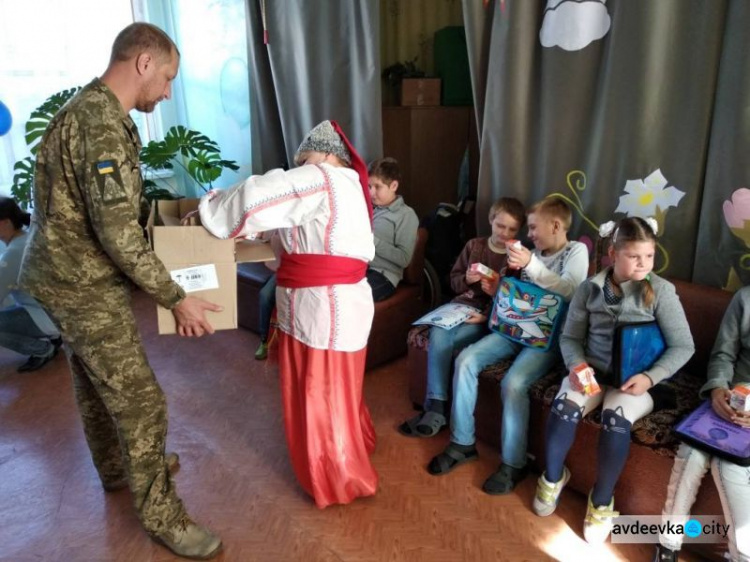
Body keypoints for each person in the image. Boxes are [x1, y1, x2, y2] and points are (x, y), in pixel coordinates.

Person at [18, 23, 222, 560]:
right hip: (80, 283)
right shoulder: (100, 125)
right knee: (142, 401)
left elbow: (113, 213)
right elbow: (114, 231)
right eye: (168, 79)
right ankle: (164, 517)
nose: (168, 92)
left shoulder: (94, 113)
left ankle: (116, 469)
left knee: (91, 383)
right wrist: (176, 296)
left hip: (66, 276)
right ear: (144, 63)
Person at [198, 119, 379, 508]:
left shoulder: (324, 177)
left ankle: (338, 475)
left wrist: (211, 209)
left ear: (330, 155)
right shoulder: (347, 188)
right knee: (336, 391)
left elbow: (258, 195)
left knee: (320, 391)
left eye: (308, 158)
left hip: (323, 307)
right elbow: (288, 229)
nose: (303, 166)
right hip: (330, 302)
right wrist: (255, 235)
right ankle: (348, 452)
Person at [531, 217, 695, 544]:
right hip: (592, 374)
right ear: (612, 253)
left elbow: (684, 346)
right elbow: (570, 338)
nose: (643, 264)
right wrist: (576, 366)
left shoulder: (661, 291)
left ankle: (602, 501)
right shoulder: (589, 289)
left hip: (634, 382)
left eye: (649, 256)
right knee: (564, 407)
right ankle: (552, 478)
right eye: (634, 256)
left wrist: (650, 378)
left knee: (615, 420)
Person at [426, 198, 589, 494]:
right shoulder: (532, 254)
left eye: (533, 227)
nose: (531, 234)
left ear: (555, 225)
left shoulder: (576, 251)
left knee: (514, 383)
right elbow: (517, 295)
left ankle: (514, 463)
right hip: (513, 329)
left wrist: (531, 265)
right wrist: (496, 288)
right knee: (465, 360)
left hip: (546, 340)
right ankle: (462, 443)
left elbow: (571, 291)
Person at [398, 197, 526, 437]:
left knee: (444, 340)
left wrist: (494, 298)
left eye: (511, 230)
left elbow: (517, 303)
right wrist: (467, 279)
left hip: (486, 318)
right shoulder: (474, 246)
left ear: (519, 231)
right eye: (500, 226)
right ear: (491, 220)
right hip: (461, 307)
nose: (504, 233)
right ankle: (436, 405)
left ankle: (436, 408)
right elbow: (453, 282)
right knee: (438, 331)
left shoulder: (516, 259)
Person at [654, 287, 750, 562]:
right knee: (692, 452)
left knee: (727, 463)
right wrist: (718, 388)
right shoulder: (744, 298)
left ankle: (742, 555)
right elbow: (723, 354)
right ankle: (667, 545)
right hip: (731, 396)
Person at [0, 197, 61, 372]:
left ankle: (41, 349)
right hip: (57, 312)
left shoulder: (13, 253)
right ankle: (53, 337)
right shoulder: (27, 239)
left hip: (46, 316)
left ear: (5, 223)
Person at [365, 157, 419, 302]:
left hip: (382, 275)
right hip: (359, 268)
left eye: (378, 187)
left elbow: (404, 258)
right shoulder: (369, 209)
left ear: (394, 185)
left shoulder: (406, 215)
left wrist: (371, 240)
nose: (371, 193)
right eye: (369, 187)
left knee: (351, 298)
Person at [254, 230, 282, 361]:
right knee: (265, 295)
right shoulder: (272, 219)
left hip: (296, 268)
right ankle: (264, 341)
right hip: (279, 269)